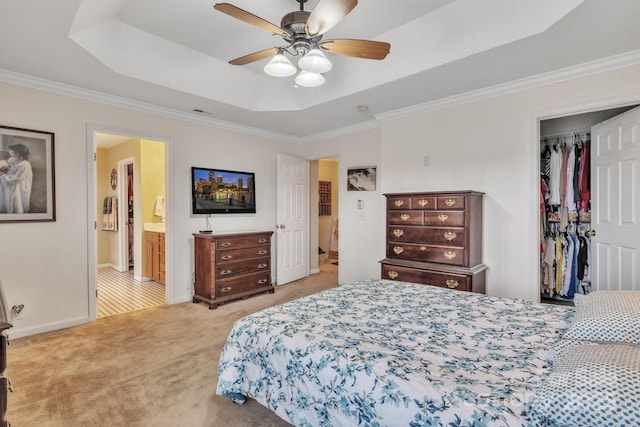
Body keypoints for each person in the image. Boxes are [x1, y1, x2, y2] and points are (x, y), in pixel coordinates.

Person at [0, 144, 33, 213]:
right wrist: (4, 169)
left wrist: (4, 176)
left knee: (16, 203)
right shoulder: (12, 160)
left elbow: (18, 179)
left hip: (18, 187)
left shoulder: (25, 165)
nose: (10, 153)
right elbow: (5, 166)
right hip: (8, 184)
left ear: (18, 153)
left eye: (12, 151)